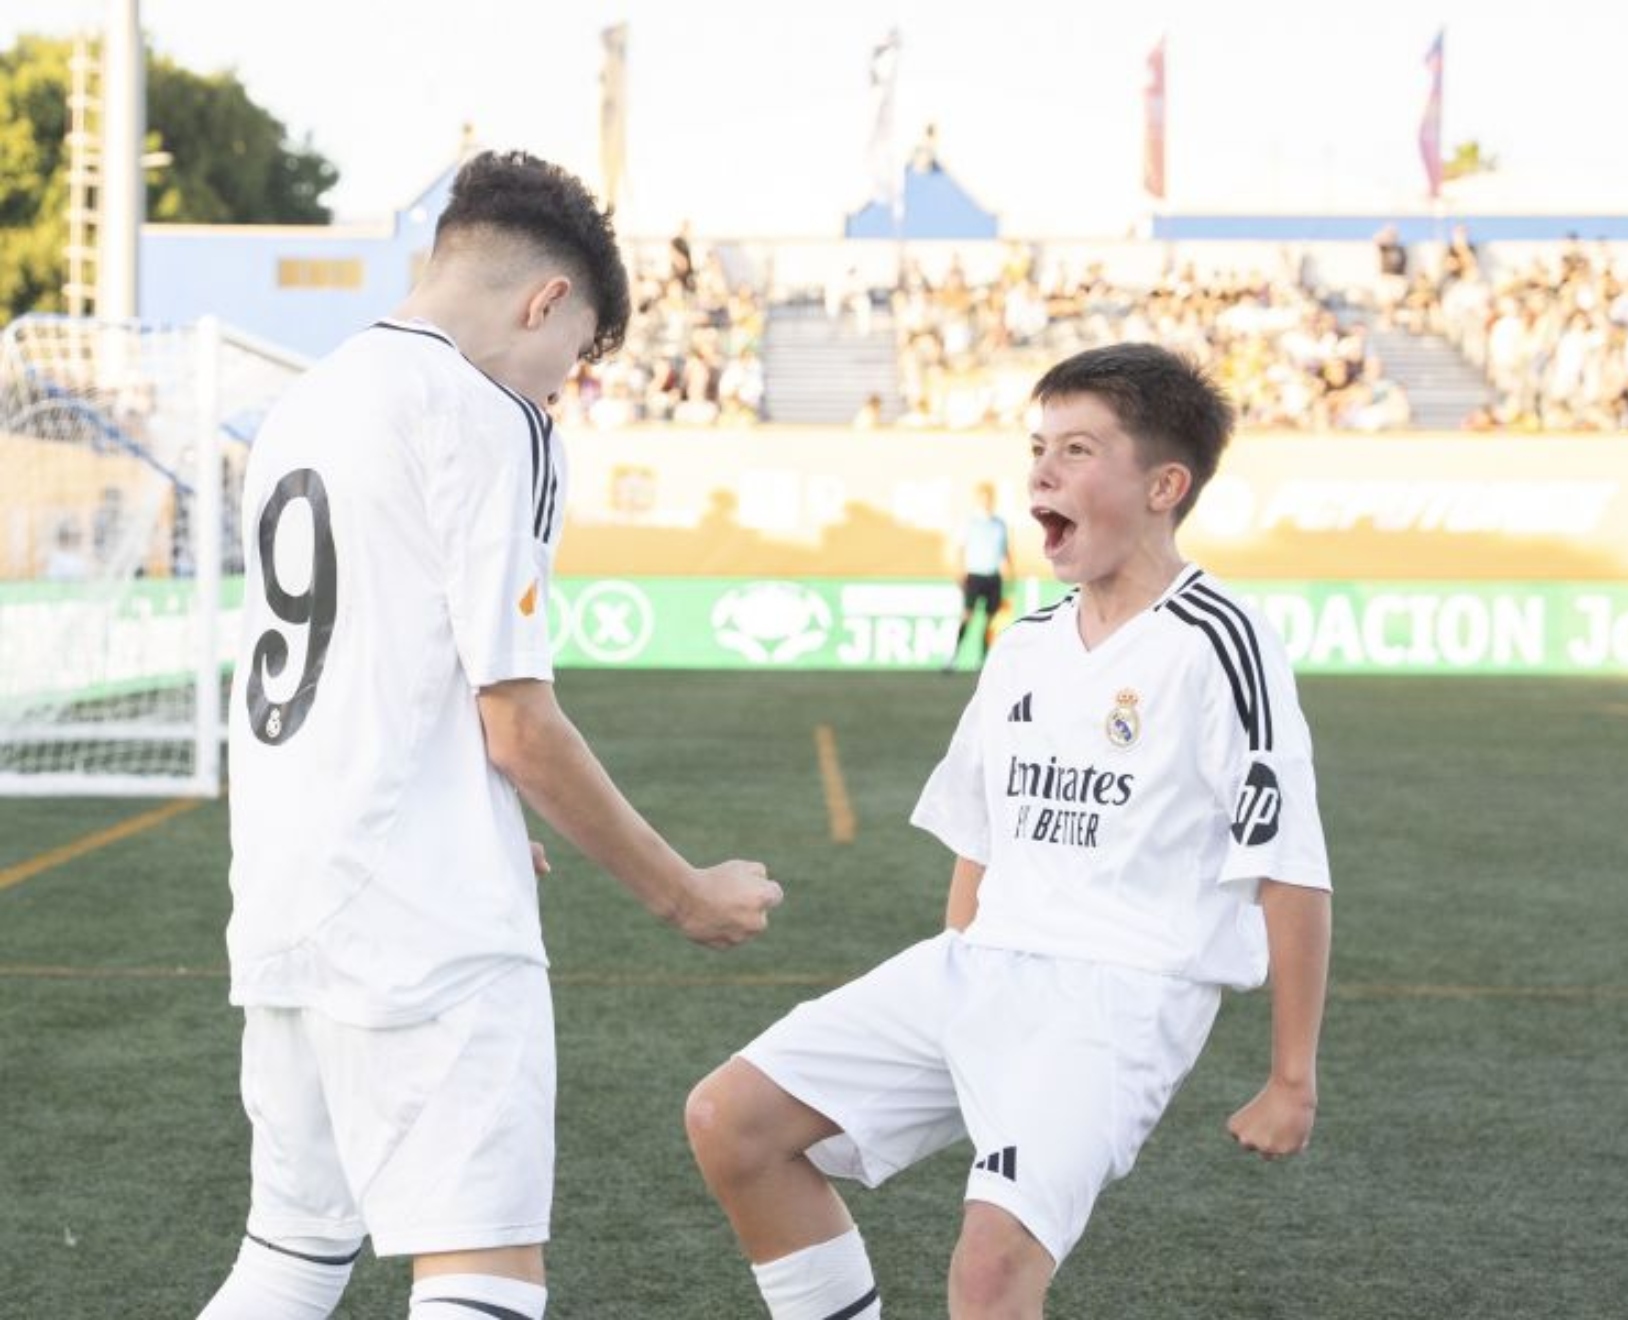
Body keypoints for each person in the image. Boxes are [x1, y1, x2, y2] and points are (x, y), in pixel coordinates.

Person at [200, 151, 784, 1320]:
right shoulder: (487, 412)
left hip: (283, 890)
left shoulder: (304, 401)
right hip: (419, 915)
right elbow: (516, 721)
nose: (555, 391)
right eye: (568, 368)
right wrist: (684, 893)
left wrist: (453, 806)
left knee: (291, 1255)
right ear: (545, 304)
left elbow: (374, 662)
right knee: (481, 1268)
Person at [685, 343, 1333, 1318]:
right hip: (980, 963)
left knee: (990, 1273)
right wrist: (957, 985)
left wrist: (1292, 1078)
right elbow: (980, 839)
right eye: (1038, 447)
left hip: (1118, 995)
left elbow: (1288, 868)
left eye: (1077, 449)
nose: (1041, 471)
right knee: (731, 1121)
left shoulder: (1220, 641)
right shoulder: (1026, 644)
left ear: (1165, 484)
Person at [943, 481, 1015, 671]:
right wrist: (959, 572)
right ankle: (952, 658)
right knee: (967, 616)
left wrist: (1010, 571)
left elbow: (1005, 551)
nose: (986, 502)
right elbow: (960, 548)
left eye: (989, 498)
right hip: (974, 576)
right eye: (983, 498)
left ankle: (983, 661)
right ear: (977, 500)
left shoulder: (999, 524)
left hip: (993, 577)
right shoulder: (969, 522)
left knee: (990, 620)